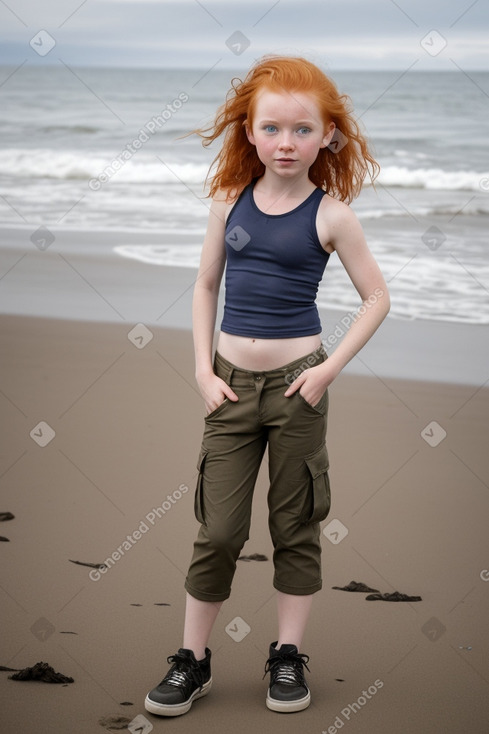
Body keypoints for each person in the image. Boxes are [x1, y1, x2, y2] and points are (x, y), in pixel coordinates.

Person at [145, 55, 390, 717]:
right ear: (248, 132)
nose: (287, 142)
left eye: (302, 130)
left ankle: (286, 655)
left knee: (295, 526)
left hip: (296, 390)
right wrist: (200, 370)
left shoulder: (332, 216)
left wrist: (325, 369)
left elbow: (375, 299)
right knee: (217, 531)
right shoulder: (228, 202)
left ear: (328, 136)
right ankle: (192, 661)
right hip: (226, 387)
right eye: (272, 128)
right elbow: (204, 286)